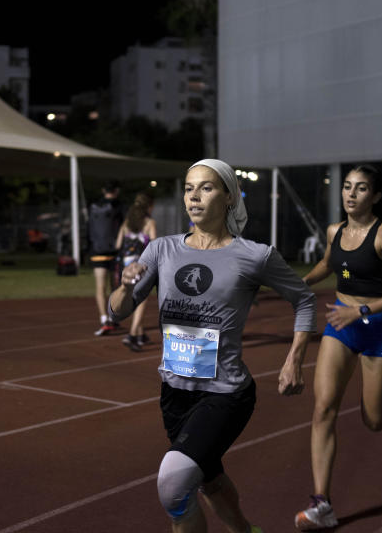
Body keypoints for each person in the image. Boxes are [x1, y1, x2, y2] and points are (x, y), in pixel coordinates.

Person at [110, 159, 315, 533]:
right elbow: (119, 311)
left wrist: (294, 360)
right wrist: (125, 285)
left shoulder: (255, 256)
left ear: (230, 197)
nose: (194, 196)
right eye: (189, 188)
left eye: (205, 187)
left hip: (225, 394)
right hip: (174, 392)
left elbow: (304, 299)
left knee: (173, 485)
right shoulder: (161, 250)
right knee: (207, 477)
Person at [293, 164, 382, 530]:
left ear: (374, 196)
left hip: (380, 331)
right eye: (346, 187)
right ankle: (321, 502)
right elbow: (329, 263)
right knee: (323, 408)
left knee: (375, 420)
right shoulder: (334, 231)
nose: (350, 194)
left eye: (360, 189)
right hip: (342, 325)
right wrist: (297, 284)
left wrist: (363, 310)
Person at [116, 192, 158, 352]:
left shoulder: (126, 222)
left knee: (133, 296)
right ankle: (132, 334)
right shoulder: (149, 223)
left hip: (127, 264)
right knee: (141, 299)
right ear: (149, 206)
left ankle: (140, 334)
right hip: (142, 265)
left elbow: (118, 243)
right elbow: (154, 245)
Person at [90, 180, 124, 336]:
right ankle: (113, 317)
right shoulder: (118, 206)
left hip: (97, 251)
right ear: (116, 190)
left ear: (104, 190)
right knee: (114, 287)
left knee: (100, 287)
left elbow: (88, 228)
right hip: (113, 251)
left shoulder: (94, 206)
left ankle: (103, 319)